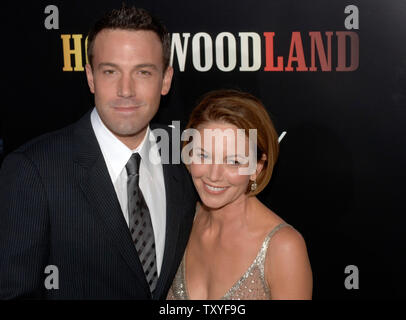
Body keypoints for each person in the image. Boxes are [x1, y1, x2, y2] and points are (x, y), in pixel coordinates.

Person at [0, 6, 197, 299]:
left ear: (166, 80)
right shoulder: (34, 170)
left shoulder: (188, 155)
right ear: (91, 77)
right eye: (110, 71)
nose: (126, 90)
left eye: (143, 72)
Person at [167, 89, 313, 300]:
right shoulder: (180, 222)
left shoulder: (283, 248)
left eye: (233, 161)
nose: (214, 175)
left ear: (257, 168)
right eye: (203, 155)